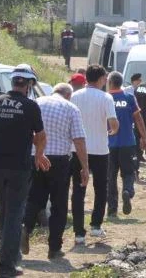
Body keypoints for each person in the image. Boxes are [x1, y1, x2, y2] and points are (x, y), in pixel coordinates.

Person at [0, 64, 48, 278]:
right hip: (18, 167)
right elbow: (40, 135)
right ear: (29, 84)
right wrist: (40, 155)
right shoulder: (30, 106)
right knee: (14, 215)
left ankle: (12, 257)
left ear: (13, 82)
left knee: (4, 213)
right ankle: (6, 266)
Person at [22, 83, 88, 259]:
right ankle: (54, 247)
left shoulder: (36, 102)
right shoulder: (71, 108)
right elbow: (79, 140)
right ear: (68, 95)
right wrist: (84, 167)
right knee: (59, 203)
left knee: (34, 197)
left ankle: (25, 227)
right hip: (59, 160)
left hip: (36, 156)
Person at [70, 65, 119, 244]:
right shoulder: (106, 98)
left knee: (78, 190)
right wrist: (112, 131)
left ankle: (78, 232)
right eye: (104, 78)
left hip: (78, 149)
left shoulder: (74, 96)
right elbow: (113, 122)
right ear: (99, 79)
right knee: (100, 188)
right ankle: (96, 225)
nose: (106, 81)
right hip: (99, 149)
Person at [106, 72, 146, 216]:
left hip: (108, 145)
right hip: (128, 143)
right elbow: (139, 119)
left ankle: (112, 210)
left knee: (110, 176)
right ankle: (127, 191)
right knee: (128, 172)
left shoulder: (105, 98)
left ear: (110, 82)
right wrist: (144, 137)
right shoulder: (129, 97)